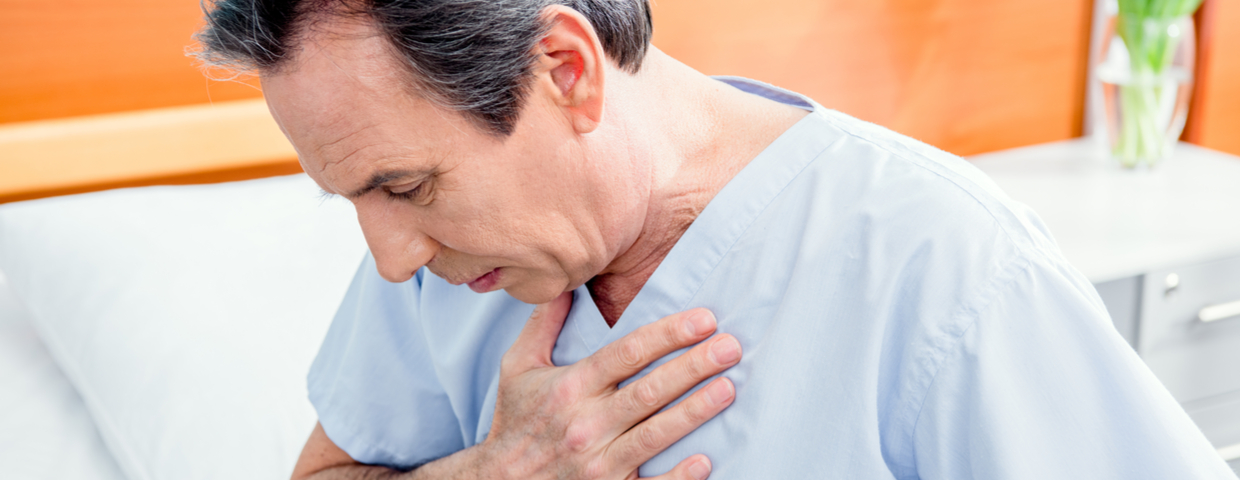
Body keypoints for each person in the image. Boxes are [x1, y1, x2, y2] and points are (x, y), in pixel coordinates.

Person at [196, 1, 1236, 479]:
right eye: (355, 202)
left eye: (404, 186)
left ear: (565, 69)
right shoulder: (444, 257)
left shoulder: (943, 267)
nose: (388, 255)